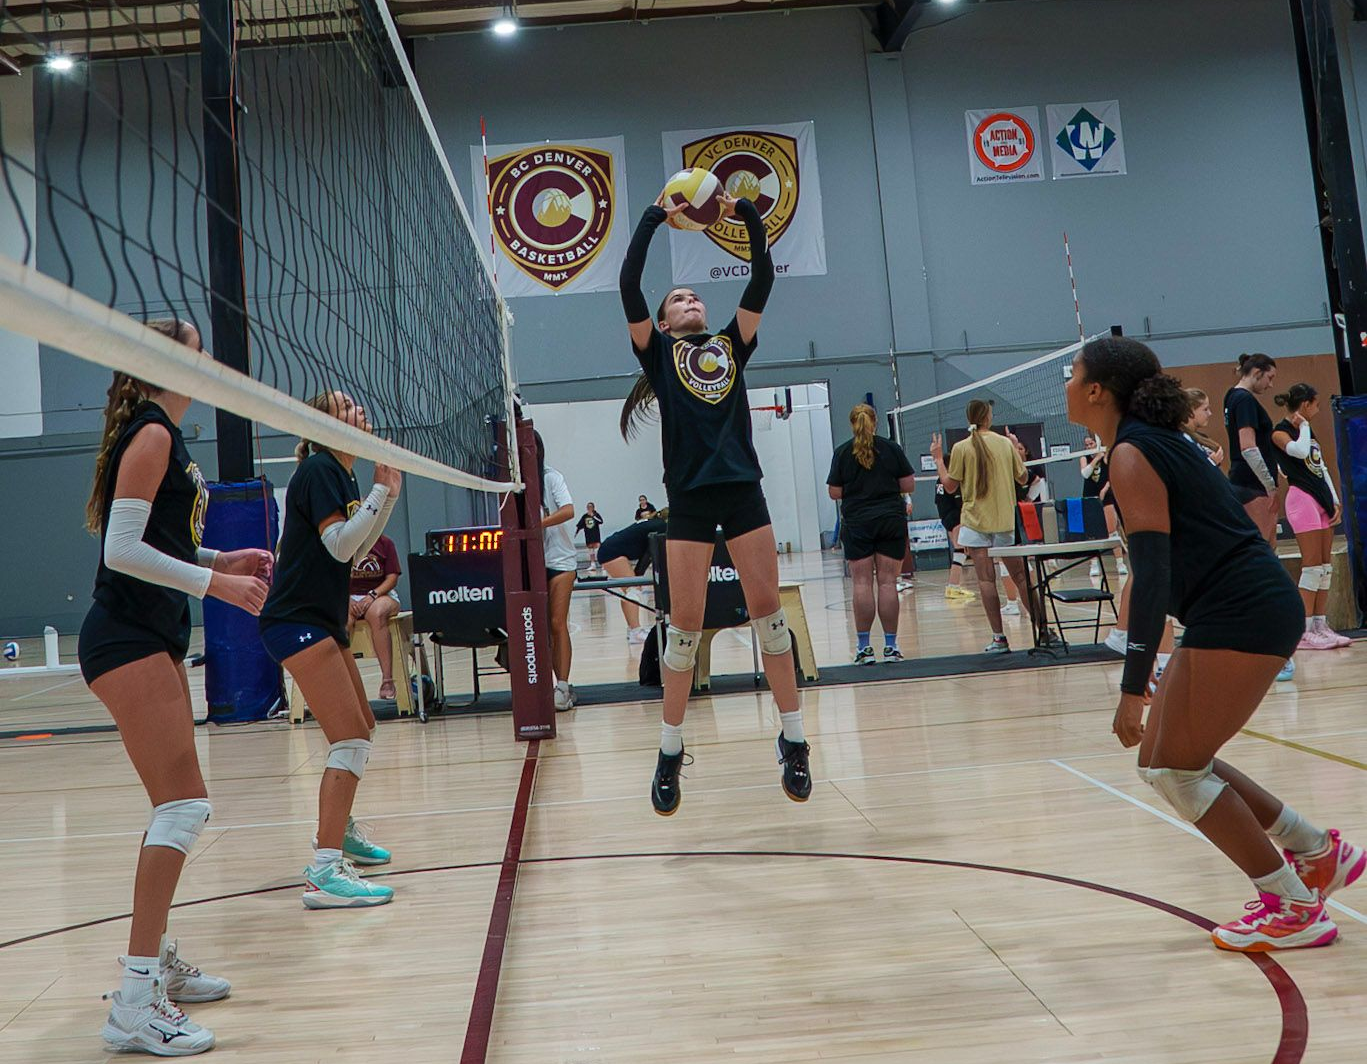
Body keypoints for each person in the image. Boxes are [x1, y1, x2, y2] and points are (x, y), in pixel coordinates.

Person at [1068, 335, 1363, 952]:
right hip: (1234, 610)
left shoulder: (1132, 454)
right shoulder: (1149, 445)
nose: (1067, 385)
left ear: (1097, 391)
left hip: (1242, 613)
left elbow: (1152, 576)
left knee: (1175, 767)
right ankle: (1316, 851)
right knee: (1166, 761)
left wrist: (1132, 684)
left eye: (1073, 374)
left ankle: (1292, 905)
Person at [81, 320, 272, 1056]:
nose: (207, 358)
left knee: (174, 805)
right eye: (195, 347)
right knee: (186, 806)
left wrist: (223, 553)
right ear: (167, 360)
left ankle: (153, 962)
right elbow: (121, 551)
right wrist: (216, 584)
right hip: (125, 637)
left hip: (145, 637)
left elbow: (156, 539)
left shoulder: (163, 433)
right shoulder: (152, 433)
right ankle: (135, 1002)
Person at [620, 185, 810, 815]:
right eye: (679, 299)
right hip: (691, 500)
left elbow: (761, 276)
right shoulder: (657, 355)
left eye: (695, 294)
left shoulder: (732, 343)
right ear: (665, 319)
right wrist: (655, 217)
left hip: (743, 489)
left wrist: (745, 213)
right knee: (684, 631)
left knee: (770, 619)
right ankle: (670, 751)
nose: (691, 300)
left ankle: (794, 740)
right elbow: (627, 282)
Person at [258, 391, 400, 909]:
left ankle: (340, 828)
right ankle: (323, 870)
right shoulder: (319, 468)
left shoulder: (340, 474)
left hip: (318, 618)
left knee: (362, 724)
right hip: (295, 619)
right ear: (324, 424)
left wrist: (384, 496)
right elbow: (339, 545)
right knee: (349, 738)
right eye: (346, 407)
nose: (360, 410)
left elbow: (356, 551)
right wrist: (381, 492)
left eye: (360, 404)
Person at [930, 403, 1046, 654]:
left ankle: (999, 638)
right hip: (1003, 520)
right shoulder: (1004, 444)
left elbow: (949, 487)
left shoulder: (961, 448)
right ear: (989, 417)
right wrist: (1015, 449)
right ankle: (1044, 631)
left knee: (986, 580)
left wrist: (939, 459)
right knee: (1021, 576)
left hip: (974, 521)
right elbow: (1024, 479)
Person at [827, 403, 916, 664]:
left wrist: (857, 488)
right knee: (888, 582)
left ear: (852, 423)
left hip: (858, 522)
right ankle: (890, 647)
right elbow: (908, 483)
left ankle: (864, 648)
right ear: (874, 422)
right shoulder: (891, 448)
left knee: (862, 583)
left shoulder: (843, 452)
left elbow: (834, 491)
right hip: (890, 519)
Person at [1272, 383, 1349, 650]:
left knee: (1326, 566)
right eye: (1315, 405)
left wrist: (1333, 499)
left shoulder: (1308, 431)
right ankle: (1303, 630)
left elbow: (1319, 464)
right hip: (1301, 499)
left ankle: (1320, 623)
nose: (1317, 410)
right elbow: (1300, 452)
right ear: (1305, 404)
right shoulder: (1280, 432)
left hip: (1319, 498)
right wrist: (1303, 427)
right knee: (1312, 565)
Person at [535, 432, 579, 710]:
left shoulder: (551, 477)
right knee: (535, 629)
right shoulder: (514, 485)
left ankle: (562, 687)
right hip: (531, 563)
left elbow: (568, 510)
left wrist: (538, 525)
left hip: (560, 560)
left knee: (556, 623)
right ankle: (540, 686)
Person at [1224, 353, 1281, 543]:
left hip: (1243, 480)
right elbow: (1248, 447)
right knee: (1263, 546)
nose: (1270, 385)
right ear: (1257, 372)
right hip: (1253, 484)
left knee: (1263, 545)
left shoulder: (1231, 396)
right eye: (1269, 378)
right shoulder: (1244, 400)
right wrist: (1269, 485)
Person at [598, 513, 668, 642]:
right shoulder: (662, 527)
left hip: (611, 549)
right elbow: (650, 552)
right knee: (633, 590)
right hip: (612, 552)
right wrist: (638, 575)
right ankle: (635, 632)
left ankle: (632, 629)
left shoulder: (654, 522)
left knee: (630, 591)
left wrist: (637, 575)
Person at [348, 533, 402, 700]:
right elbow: (331, 577)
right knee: (342, 620)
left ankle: (387, 680)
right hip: (350, 595)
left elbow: (392, 577)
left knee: (376, 614)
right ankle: (346, 684)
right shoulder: (341, 543)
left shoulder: (385, 542)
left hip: (380, 594)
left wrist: (373, 595)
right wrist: (346, 599)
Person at [1080, 435, 1126, 578]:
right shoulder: (1084, 458)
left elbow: (1111, 475)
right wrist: (1096, 458)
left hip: (1106, 495)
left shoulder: (1106, 455)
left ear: (1097, 443)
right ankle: (1094, 565)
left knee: (1112, 530)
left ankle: (1120, 563)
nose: (1088, 447)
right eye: (1086, 445)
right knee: (1092, 533)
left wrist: (1104, 490)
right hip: (1089, 497)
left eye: (1091, 443)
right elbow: (1085, 474)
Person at [934, 477, 975, 602]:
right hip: (955, 516)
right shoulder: (951, 479)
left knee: (962, 550)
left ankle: (954, 586)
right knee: (960, 550)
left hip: (946, 515)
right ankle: (953, 586)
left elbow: (938, 501)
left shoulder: (940, 480)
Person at [1183, 388, 1225, 466]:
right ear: (1191, 411)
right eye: (1205, 409)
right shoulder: (1183, 440)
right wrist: (1211, 462)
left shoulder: (1202, 438)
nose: (1210, 413)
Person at [576, 502, 607, 571]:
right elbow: (580, 525)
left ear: (593, 508)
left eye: (590, 507)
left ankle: (602, 564)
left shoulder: (596, 515)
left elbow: (601, 521)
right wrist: (576, 532)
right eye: (588, 507)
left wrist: (593, 516)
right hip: (588, 535)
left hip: (595, 535)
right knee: (590, 549)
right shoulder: (585, 516)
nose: (589, 508)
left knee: (598, 549)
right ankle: (593, 564)